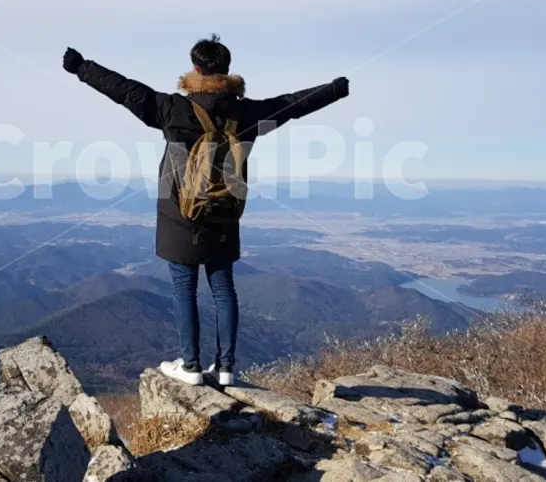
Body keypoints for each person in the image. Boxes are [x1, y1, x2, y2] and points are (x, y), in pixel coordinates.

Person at [62, 35, 349, 385]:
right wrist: (332, 90)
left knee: (184, 288)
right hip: (225, 211)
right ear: (227, 71)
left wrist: (82, 68)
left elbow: (125, 90)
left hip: (178, 213)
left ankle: (191, 366)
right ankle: (226, 368)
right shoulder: (246, 114)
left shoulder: (172, 109)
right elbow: (291, 105)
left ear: (195, 69)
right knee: (223, 288)